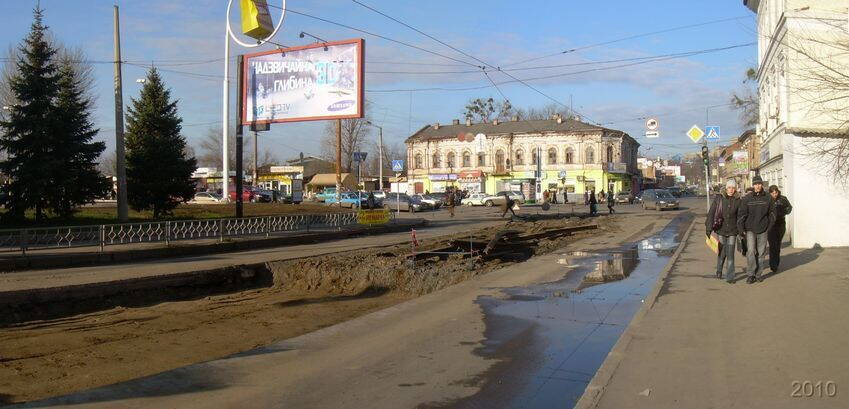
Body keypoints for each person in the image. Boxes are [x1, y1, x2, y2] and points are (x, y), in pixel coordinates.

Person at [737, 175, 775, 284]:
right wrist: (741, 229)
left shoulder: (768, 197)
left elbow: (772, 213)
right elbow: (742, 214)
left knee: (761, 253)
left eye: (759, 184)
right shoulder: (747, 198)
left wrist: (769, 226)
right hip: (750, 229)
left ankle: (758, 275)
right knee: (750, 252)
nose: (757, 186)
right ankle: (751, 274)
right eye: (755, 184)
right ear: (753, 185)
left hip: (763, 229)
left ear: (761, 185)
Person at [706, 179, 741, 283]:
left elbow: (740, 216)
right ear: (726, 188)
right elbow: (711, 213)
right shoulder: (719, 198)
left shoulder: (738, 200)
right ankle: (719, 269)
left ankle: (730, 277)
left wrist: (742, 230)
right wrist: (708, 228)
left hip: (733, 231)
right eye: (729, 187)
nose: (731, 190)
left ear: (735, 189)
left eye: (733, 188)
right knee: (722, 251)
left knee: (730, 254)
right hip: (721, 230)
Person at [768, 185, 793, 273]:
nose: (774, 195)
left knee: (777, 244)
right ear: (770, 193)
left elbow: (789, 207)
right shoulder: (767, 199)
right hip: (771, 225)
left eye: (776, 193)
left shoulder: (783, 199)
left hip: (780, 224)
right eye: (772, 193)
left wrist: (784, 212)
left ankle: (776, 263)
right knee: (772, 245)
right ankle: (773, 265)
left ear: (778, 192)